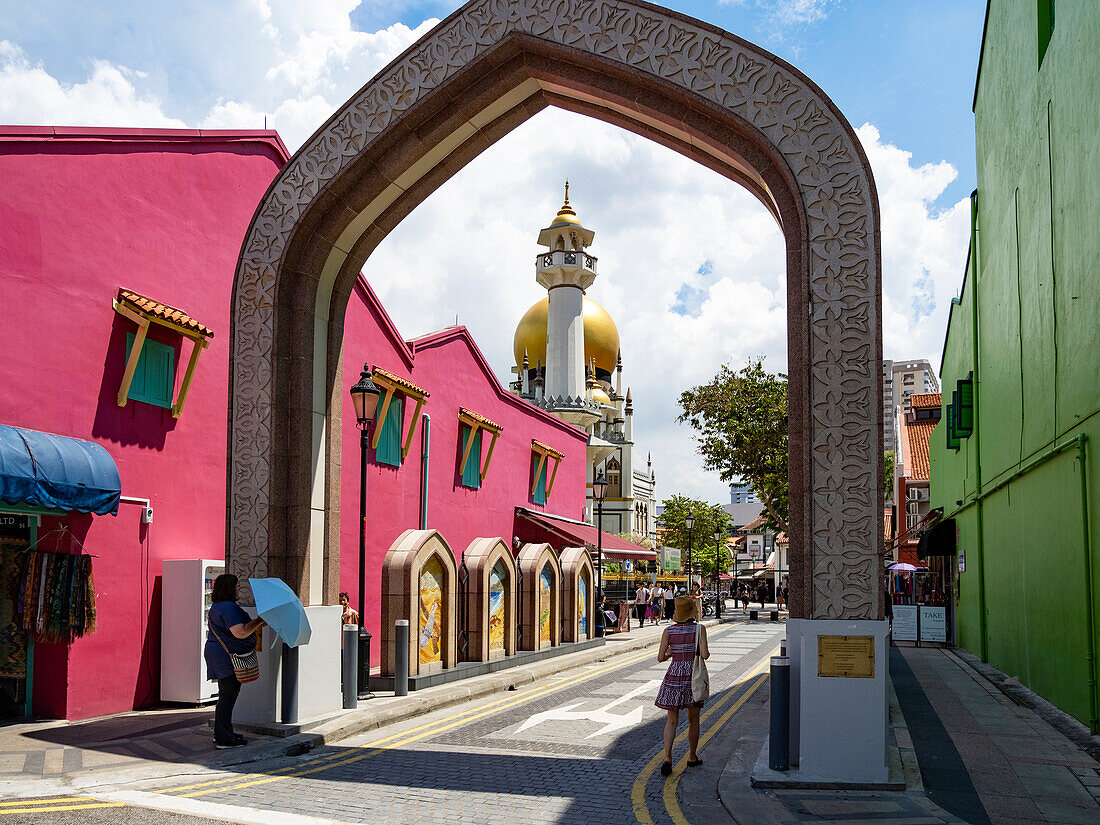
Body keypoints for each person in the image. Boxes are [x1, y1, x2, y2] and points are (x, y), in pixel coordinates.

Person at [204, 574, 266, 749]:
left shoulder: (219, 606)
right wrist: (258, 622)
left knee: (226, 695)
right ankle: (224, 738)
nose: (239, 589)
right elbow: (240, 632)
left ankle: (224, 732)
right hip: (227, 656)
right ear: (229, 589)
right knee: (227, 696)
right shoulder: (229, 608)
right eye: (237, 586)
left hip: (219, 653)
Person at [655, 595, 710, 776]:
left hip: (673, 676)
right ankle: (692, 756)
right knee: (693, 719)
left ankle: (668, 758)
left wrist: (672, 653)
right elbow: (705, 654)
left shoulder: (668, 631)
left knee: (671, 720)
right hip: (692, 678)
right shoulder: (699, 629)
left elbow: (661, 657)